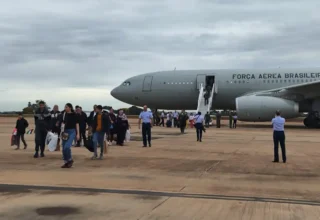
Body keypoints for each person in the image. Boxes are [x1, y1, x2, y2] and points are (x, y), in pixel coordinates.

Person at [60, 103, 80, 168]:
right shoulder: (64, 114)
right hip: (65, 132)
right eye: (65, 107)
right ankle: (66, 162)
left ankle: (70, 159)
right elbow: (63, 123)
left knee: (67, 146)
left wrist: (78, 134)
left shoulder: (74, 115)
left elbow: (77, 124)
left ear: (70, 108)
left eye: (66, 107)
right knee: (63, 148)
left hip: (72, 131)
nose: (65, 108)